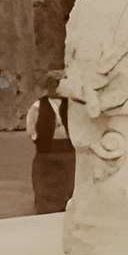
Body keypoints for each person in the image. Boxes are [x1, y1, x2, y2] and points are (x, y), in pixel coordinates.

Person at [26, 75, 76, 215]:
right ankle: (47, 207)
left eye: (57, 85)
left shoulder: (71, 105)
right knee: (45, 178)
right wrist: (38, 139)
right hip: (47, 148)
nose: (55, 89)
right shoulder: (38, 105)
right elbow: (31, 125)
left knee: (68, 178)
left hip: (67, 147)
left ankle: (66, 204)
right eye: (52, 86)